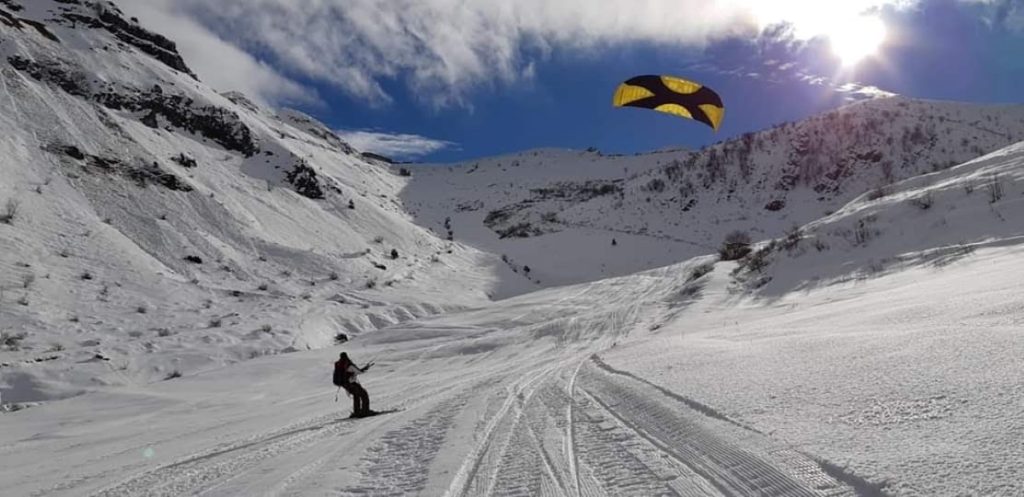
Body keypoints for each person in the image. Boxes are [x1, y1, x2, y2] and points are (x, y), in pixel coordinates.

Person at [335, 352, 375, 417]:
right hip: (351, 383)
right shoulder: (349, 364)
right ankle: (365, 411)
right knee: (364, 394)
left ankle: (357, 412)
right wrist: (366, 368)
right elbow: (359, 371)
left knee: (356, 395)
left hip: (344, 384)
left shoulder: (339, 364)